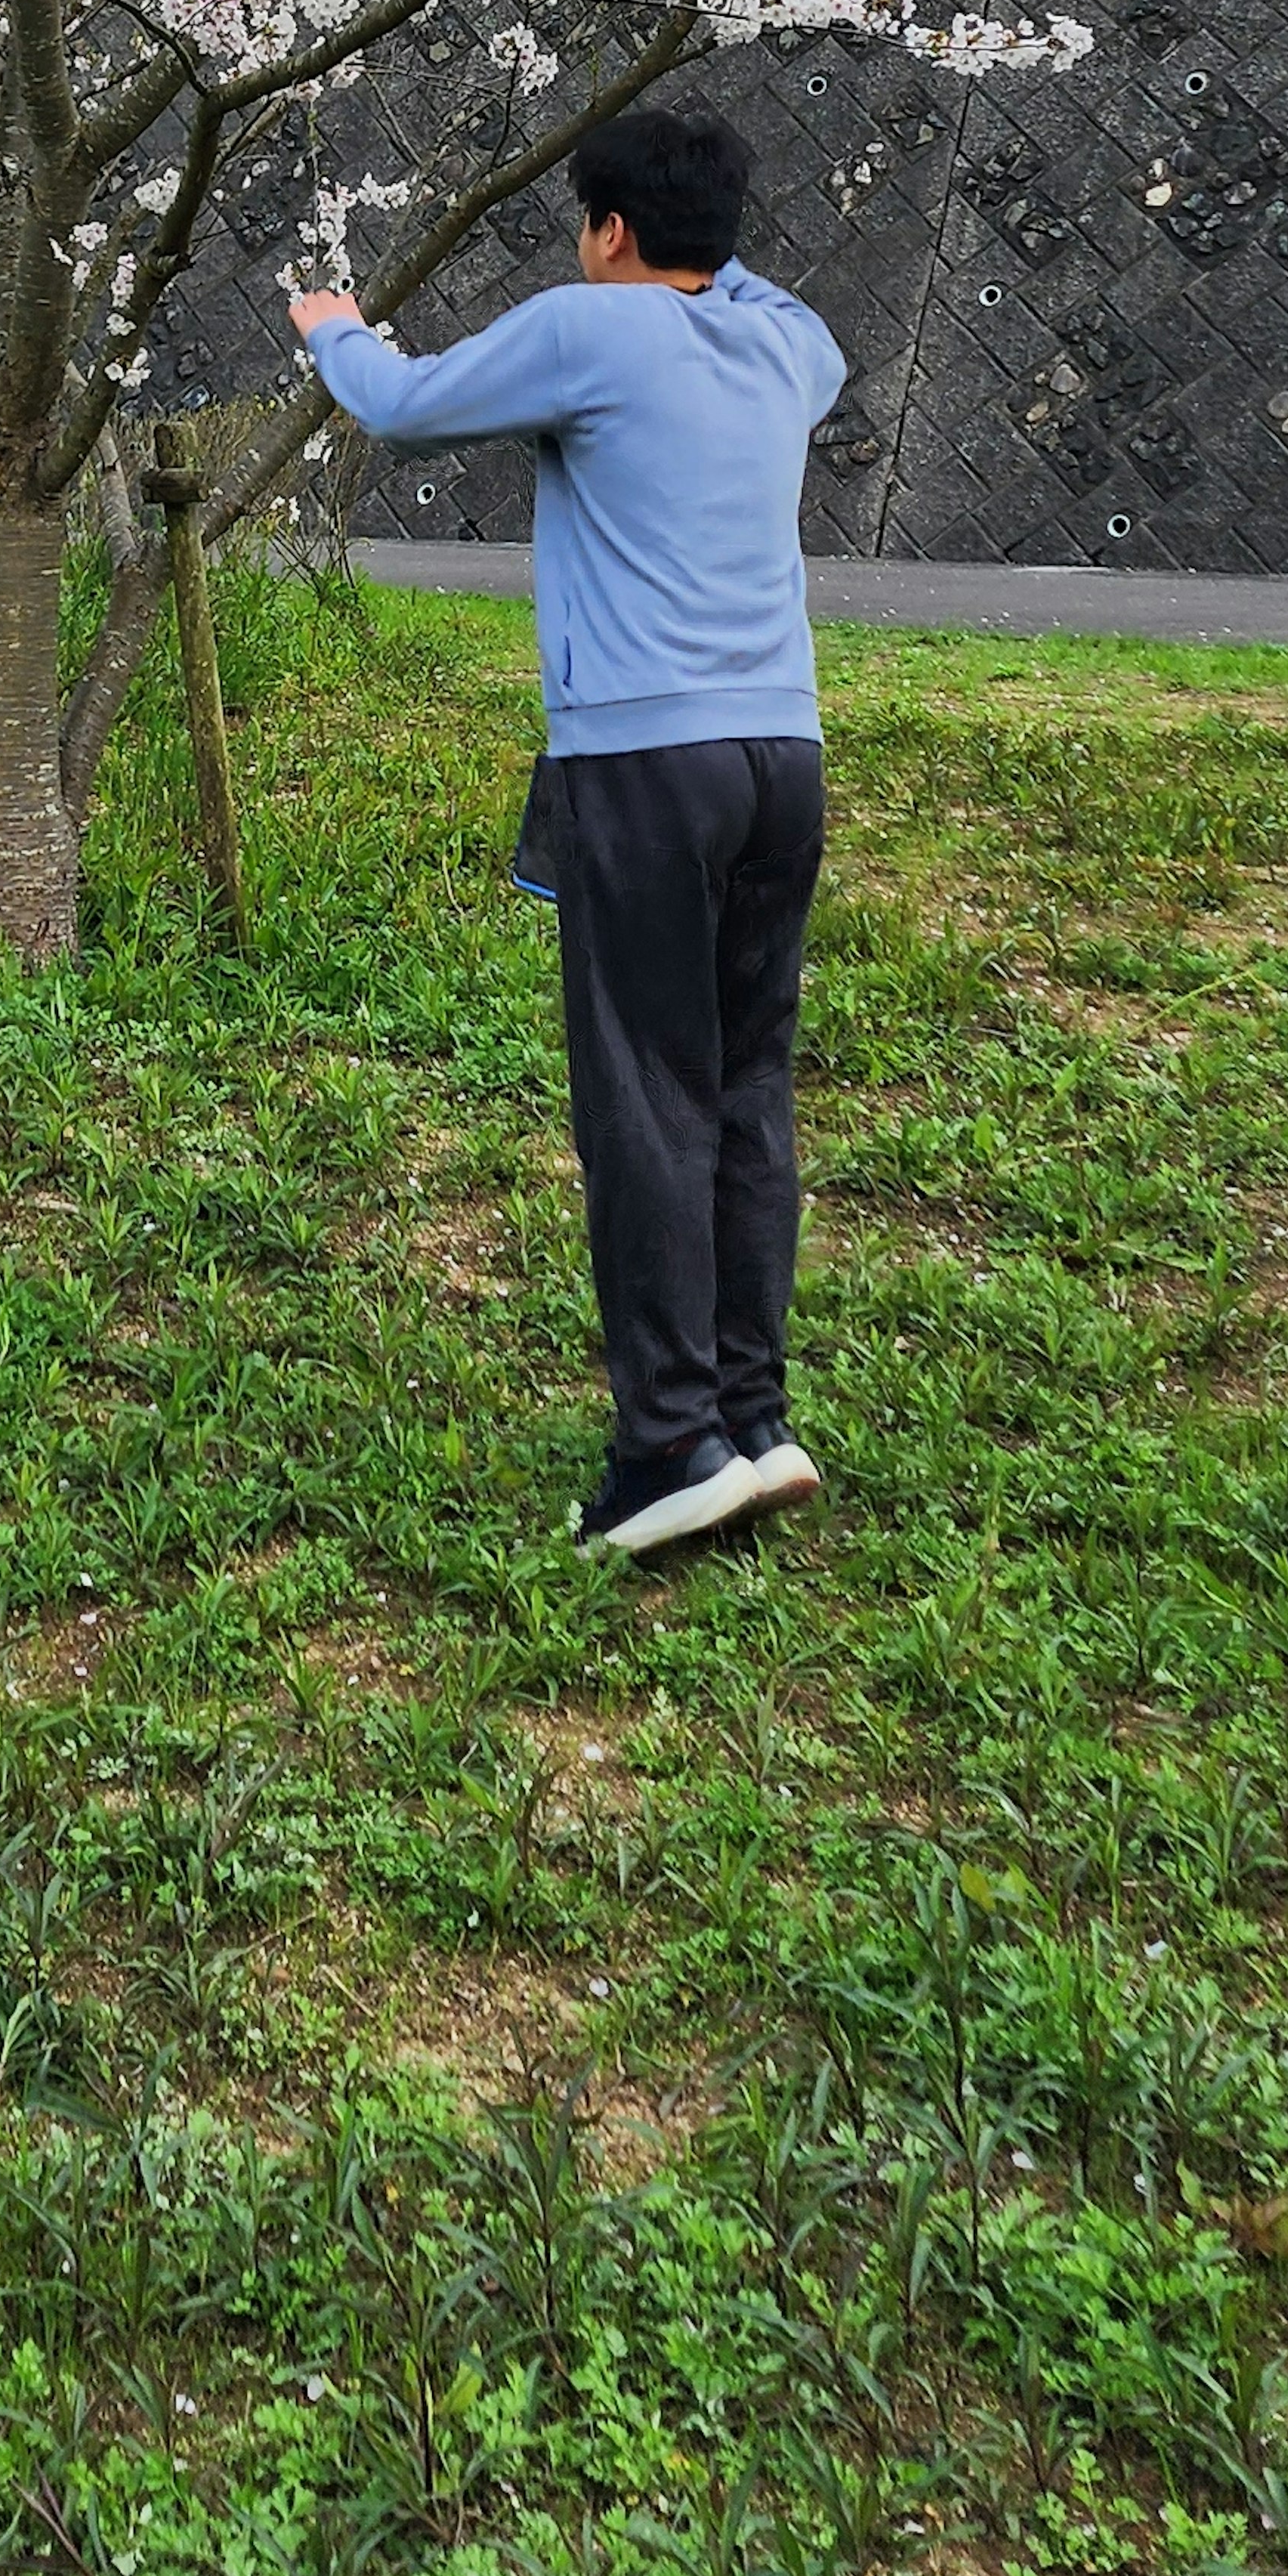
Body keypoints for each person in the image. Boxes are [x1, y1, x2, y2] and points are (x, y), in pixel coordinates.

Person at [291, 110, 843, 1563]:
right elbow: (797, 319)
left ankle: (668, 1446)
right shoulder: (782, 345)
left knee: (643, 1093)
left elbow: (403, 405)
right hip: (783, 752)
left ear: (606, 231)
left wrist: (331, 326)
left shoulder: (587, 331)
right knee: (744, 1084)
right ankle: (751, 1415)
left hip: (648, 759)